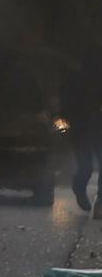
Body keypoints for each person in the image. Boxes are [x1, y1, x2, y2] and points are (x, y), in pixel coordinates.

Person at [60, 59, 102, 211]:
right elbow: (66, 105)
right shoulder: (76, 81)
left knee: (89, 164)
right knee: (85, 166)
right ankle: (80, 189)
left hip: (94, 128)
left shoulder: (77, 79)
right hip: (82, 128)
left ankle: (100, 202)